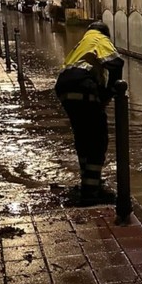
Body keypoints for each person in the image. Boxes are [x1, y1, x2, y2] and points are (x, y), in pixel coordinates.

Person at [55, 21, 124, 206]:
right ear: (106, 34)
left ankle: (88, 182)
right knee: (97, 140)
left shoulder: (81, 43)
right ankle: (91, 192)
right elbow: (116, 63)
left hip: (64, 88)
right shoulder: (99, 38)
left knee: (83, 136)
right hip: (83, 87)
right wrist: (110, 93)